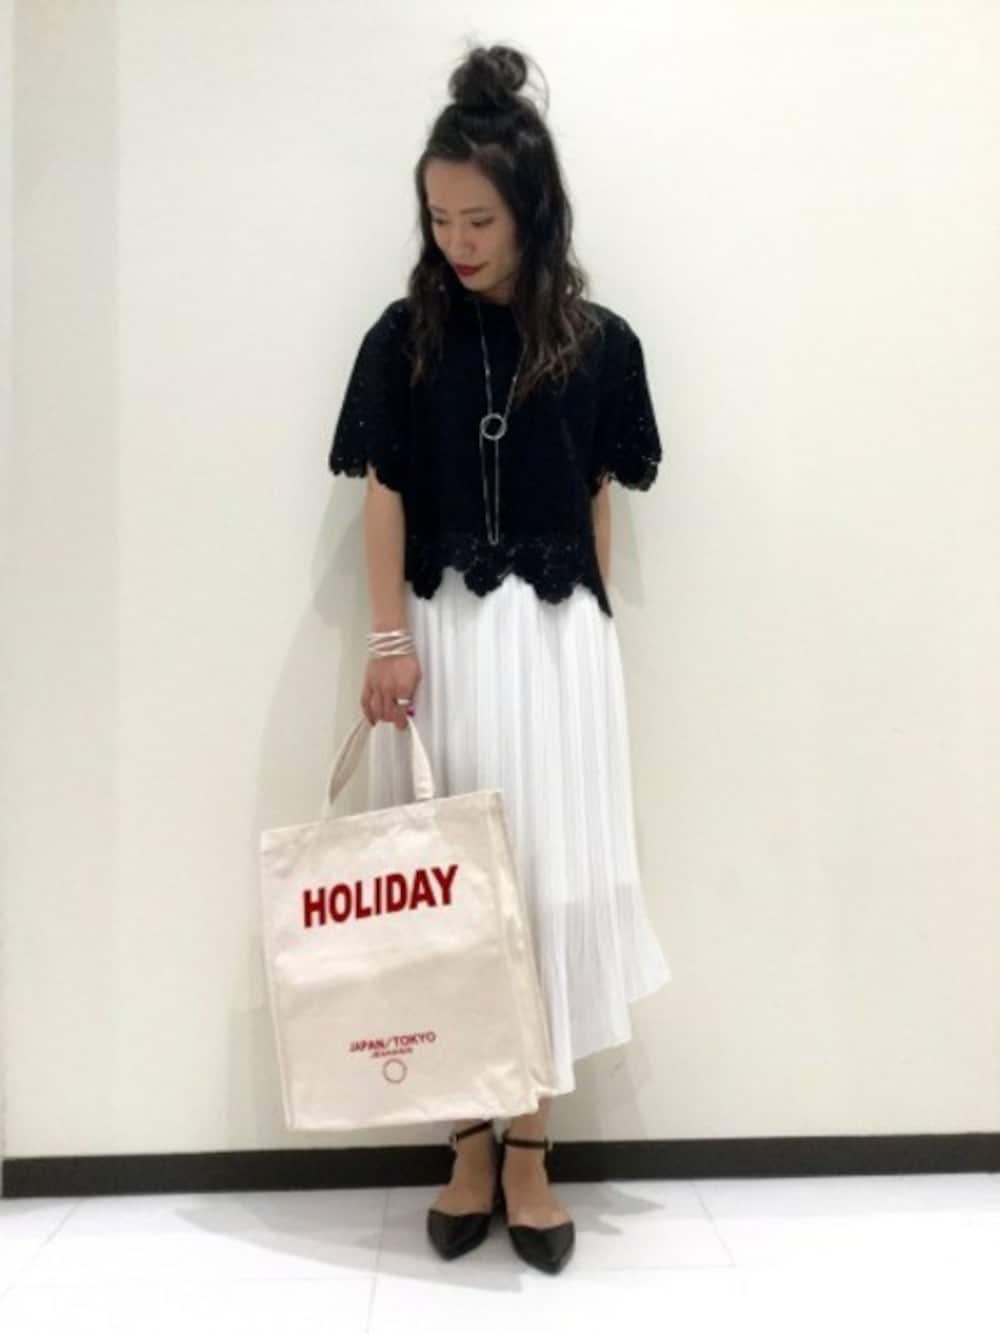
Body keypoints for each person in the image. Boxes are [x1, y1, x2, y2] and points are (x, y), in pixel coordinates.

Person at [328, 43, 671, 1276]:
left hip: (555, 646)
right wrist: (386, 638)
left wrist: (586, 634)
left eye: (479, 218)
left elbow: (597, 498)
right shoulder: (403, 338)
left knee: (547, 885)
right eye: (439, 218)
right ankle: (466, 1138)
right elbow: (383, 493)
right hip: (442, 644)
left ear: (531, 209)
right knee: (451, 896)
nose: (458, 241)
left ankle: (530, 1147)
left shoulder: (599, 343)